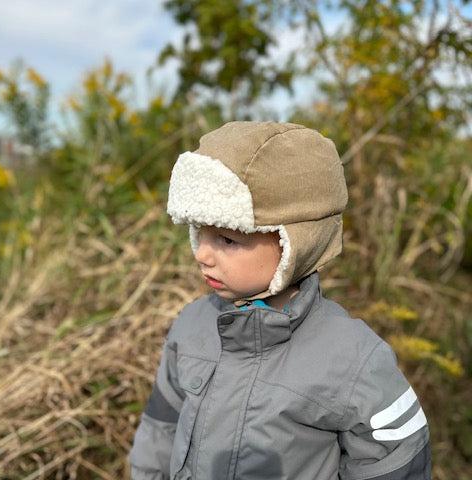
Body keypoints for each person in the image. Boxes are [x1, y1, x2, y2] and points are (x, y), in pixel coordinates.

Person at [128, 121, 431, 479]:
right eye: (199, 232)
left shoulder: (353, 358)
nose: (202, 254)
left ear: (294, 243)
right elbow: (160, 428)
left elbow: (397, 459)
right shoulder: (193, 325)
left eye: (226, 239)